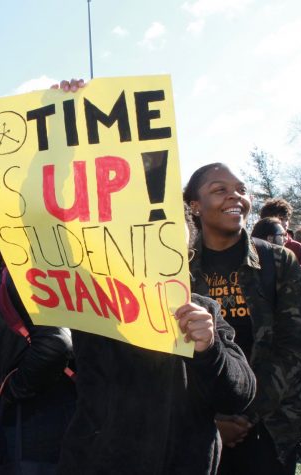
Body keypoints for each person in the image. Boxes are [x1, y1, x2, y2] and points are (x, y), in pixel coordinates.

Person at [55, 79, 256, 475]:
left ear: (185, 247)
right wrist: (68, 122)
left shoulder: (203, 312)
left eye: (166, 229)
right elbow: (57, 213)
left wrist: (208, 349)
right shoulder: (93, 304)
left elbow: (241, 394)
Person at [183, 163, 301, 475]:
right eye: (220, 190)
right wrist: (213, 421)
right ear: (194, 206)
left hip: (269, 428)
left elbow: (294, 345)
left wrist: (244, 415)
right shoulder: (176, 269)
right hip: (200, 430)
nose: (235, 196)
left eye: (240, 189)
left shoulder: (277, 262)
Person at [0, 216, 76, 474]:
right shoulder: (8, 272)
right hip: (11, 424)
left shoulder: (25, 272)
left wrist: (11, 391)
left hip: (29, 429)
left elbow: (56, 342)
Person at [260, 197, 301, 265]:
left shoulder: (298, 247)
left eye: (287, 220)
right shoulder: (257, 244)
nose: (285, 224)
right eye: (281, 219)